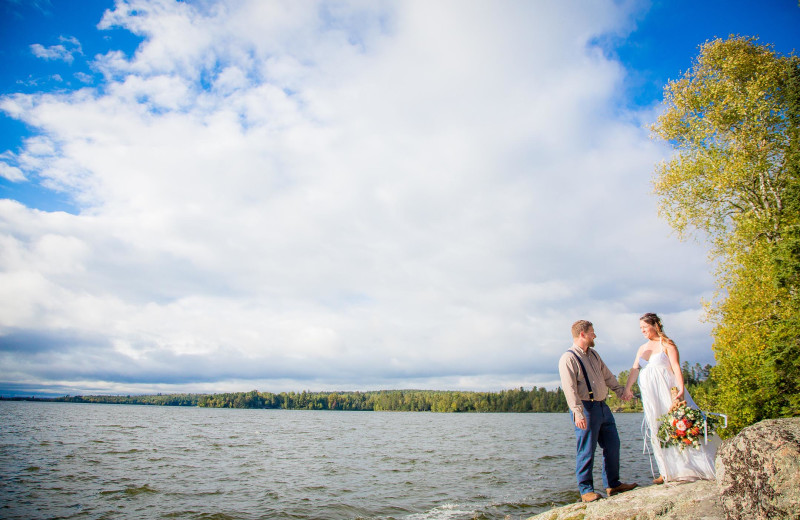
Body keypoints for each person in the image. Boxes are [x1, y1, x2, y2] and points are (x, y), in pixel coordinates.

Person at [622, 313, 717, 484]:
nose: (642, 330)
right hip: (651, 395)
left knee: (676, 424)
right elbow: (635, 369)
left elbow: (675, 367)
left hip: (667, 390)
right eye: (640, 328)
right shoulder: (643, 349)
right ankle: (666, 470)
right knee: (656, 427)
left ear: (655, 325)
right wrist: (628, 388)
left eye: (645, 327)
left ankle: (690, 466)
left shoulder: (667, 344)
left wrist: (680, 390)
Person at [558, 320, 638, 502]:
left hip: (603, 407)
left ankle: (613, 484)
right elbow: (569, 388)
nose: (595, 335)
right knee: (586, 449)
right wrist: (577, 412)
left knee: (613, 445)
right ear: (582, 334)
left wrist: (619, 391)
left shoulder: (594, 355)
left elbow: (607, 375)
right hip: (585, 409)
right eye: (592, 332)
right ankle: (586, 490)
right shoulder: (568, 358)